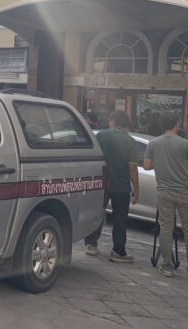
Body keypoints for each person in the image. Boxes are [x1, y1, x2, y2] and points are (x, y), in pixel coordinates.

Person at [144, 111, 188, 280]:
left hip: (164, 192)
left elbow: (147, 166)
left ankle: (167, 266)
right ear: (176, 124)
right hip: (185, 192)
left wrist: (162, 164)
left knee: (166, 228)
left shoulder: (153, 143)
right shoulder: (185, 144)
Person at [85, 110, 139, 262]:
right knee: (120, 219)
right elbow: (133, 168)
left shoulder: (101, 136)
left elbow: (93, 156)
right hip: (121, 186)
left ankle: (91, 244)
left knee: (97, 213)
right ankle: (118, 251)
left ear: (113, 120)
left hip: (102, 183)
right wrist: (137, 189)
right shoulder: (130, 141)